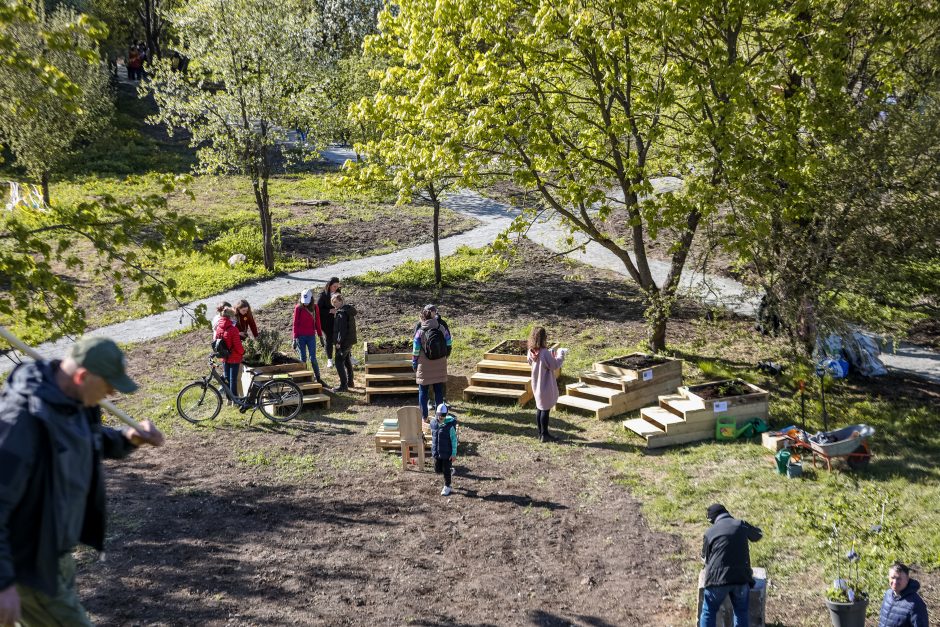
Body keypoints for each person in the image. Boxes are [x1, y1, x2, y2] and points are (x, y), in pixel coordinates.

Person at [0, 337, 164, 626]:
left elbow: (87, 439)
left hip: (56, 555)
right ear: (82, 375)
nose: (112, 393)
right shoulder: (22, 421)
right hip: (29, 565)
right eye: (109, 385)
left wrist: (128, 439)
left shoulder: (71, 400)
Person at [699, 503, 763, 627]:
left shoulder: (710, 532)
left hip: (717, 580)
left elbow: (705, 559)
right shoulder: (741, 524)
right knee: (741, 612)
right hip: (741, 578)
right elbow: (758, 535)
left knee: (708, 611)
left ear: (713, 519)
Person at [526, 327, 567, 442]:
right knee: (545, 409)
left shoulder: (531, 351)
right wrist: (561, 355)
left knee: (539, 408)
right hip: (545, 385)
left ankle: (540, 433)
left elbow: (534, 362)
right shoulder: (544, 352)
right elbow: (554, 365)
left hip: (536, 384)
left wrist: (550, 356)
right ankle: (545, 435)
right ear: (543, 338)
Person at [412, 306, 452, 421]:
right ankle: (440, 417)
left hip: (424, 365)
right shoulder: (441, 328)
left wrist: (414, 363)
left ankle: (424, 417)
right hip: (439, 363)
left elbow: (415, 350)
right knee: (438, 390)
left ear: (422, 318)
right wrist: (446, 355)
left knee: (423, 392)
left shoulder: (420, 332)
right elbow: (449, 342)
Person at [878, 561, 929, 627]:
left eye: (899, 578)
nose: (895, 582)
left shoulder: (916, 604)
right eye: (892, 578)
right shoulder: (888, 594)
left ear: (907, 579)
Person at [292, 289, 325, 386]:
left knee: (313, 358)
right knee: (303, 358)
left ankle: (318, 378)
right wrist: (294, 338)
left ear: (311, 299)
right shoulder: (298, 308)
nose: (305, 304)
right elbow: (295, 324)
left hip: (311, 336)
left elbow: (317, 322)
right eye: (304, 302)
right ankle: (304, 378)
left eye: (307, 302)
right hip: (300, 337)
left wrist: (320, 336)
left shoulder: (315, 308)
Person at [215, 307, 244, 398]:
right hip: (234, 356)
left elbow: (216, 341)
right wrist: (243, 352)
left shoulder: (219, 327)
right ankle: (234, 399)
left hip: (224, 356)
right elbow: (237, 345)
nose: (235, 318)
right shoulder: (233, 329)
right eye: (234, 317)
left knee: (227, 378)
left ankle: (228, 398)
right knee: (233, 379)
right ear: (230, 317)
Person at [331, 293, 357, 392]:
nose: (334, 304)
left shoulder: (341, 313)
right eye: (333, 302)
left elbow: (341, 330)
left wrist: (338, 342)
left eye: (336, 302)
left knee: (338, 362)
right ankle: (350, 382)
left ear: (341, 301)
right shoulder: (348, 310)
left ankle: (343, 386)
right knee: (347, 361)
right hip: (349, 341)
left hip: (343, 342)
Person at [430, 403, 458, 496]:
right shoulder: (433, 423)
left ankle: (447, 486)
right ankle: (449, 471)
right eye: (439, 415)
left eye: (443, 415)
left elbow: (454, 440)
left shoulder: (449, 426)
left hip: (447, 453)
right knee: (437, 470)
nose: (441, 417)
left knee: (445, 470)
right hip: (437, 452)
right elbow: (433, 435)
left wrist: (454, 453)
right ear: (436, 414)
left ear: (446, 415)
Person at [317, 277, 341, 368]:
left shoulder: (338, 293)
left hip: (337, 320)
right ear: (329, 285)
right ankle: (330, 360)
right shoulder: (323, 295)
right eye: (334, 286)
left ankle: (346, 357)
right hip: (326, 321)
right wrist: (329, 311)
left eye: (337, 286)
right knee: (329, 339)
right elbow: (318, 309)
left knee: (340, 338)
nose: (335, 288)